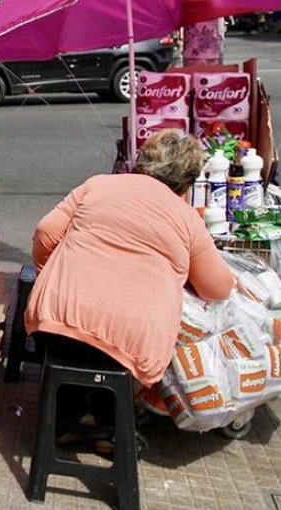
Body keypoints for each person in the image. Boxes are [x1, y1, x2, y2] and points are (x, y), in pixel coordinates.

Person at [25, 129, 235, 445]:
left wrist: (48, 272)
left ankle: (69, 422)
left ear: (142, 161)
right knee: (113, 363)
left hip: (55, 319)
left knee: (74, 353)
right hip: (130, 343)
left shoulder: (97, 185)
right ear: (187, 182)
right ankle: (106, 427)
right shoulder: (186, 218)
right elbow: (217, 288)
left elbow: (45, 232)